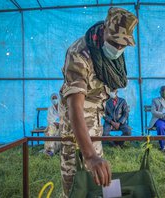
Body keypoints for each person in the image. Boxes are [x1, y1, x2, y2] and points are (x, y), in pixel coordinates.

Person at [58, 7, 138, 197]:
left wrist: (94, 157)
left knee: (97, 175)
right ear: (103, 30)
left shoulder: (111, 53)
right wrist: (90, 156)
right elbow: (74, 105)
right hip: (74, 120)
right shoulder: (79, 53)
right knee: (73, 174)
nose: (118, 48)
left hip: (95, 118)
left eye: (123, 44)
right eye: (114, 42)